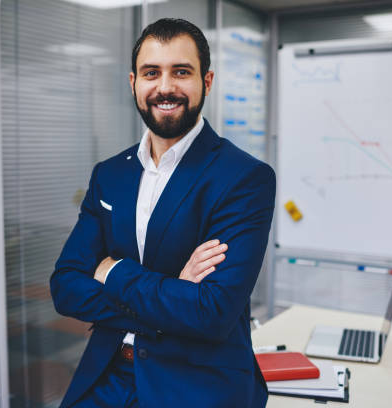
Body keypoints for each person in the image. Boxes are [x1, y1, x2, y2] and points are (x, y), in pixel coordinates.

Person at [50, 18, 275, 408]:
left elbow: (211, 312)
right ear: (133, 82)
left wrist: (113, 272)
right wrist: (174, 292)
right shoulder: (110, 174)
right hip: (108, 375)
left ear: (206, 81)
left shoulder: (244, 178)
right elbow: (66, 287)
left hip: (197, 384)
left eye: (181, 72)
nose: (165, 87)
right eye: (152, 73)